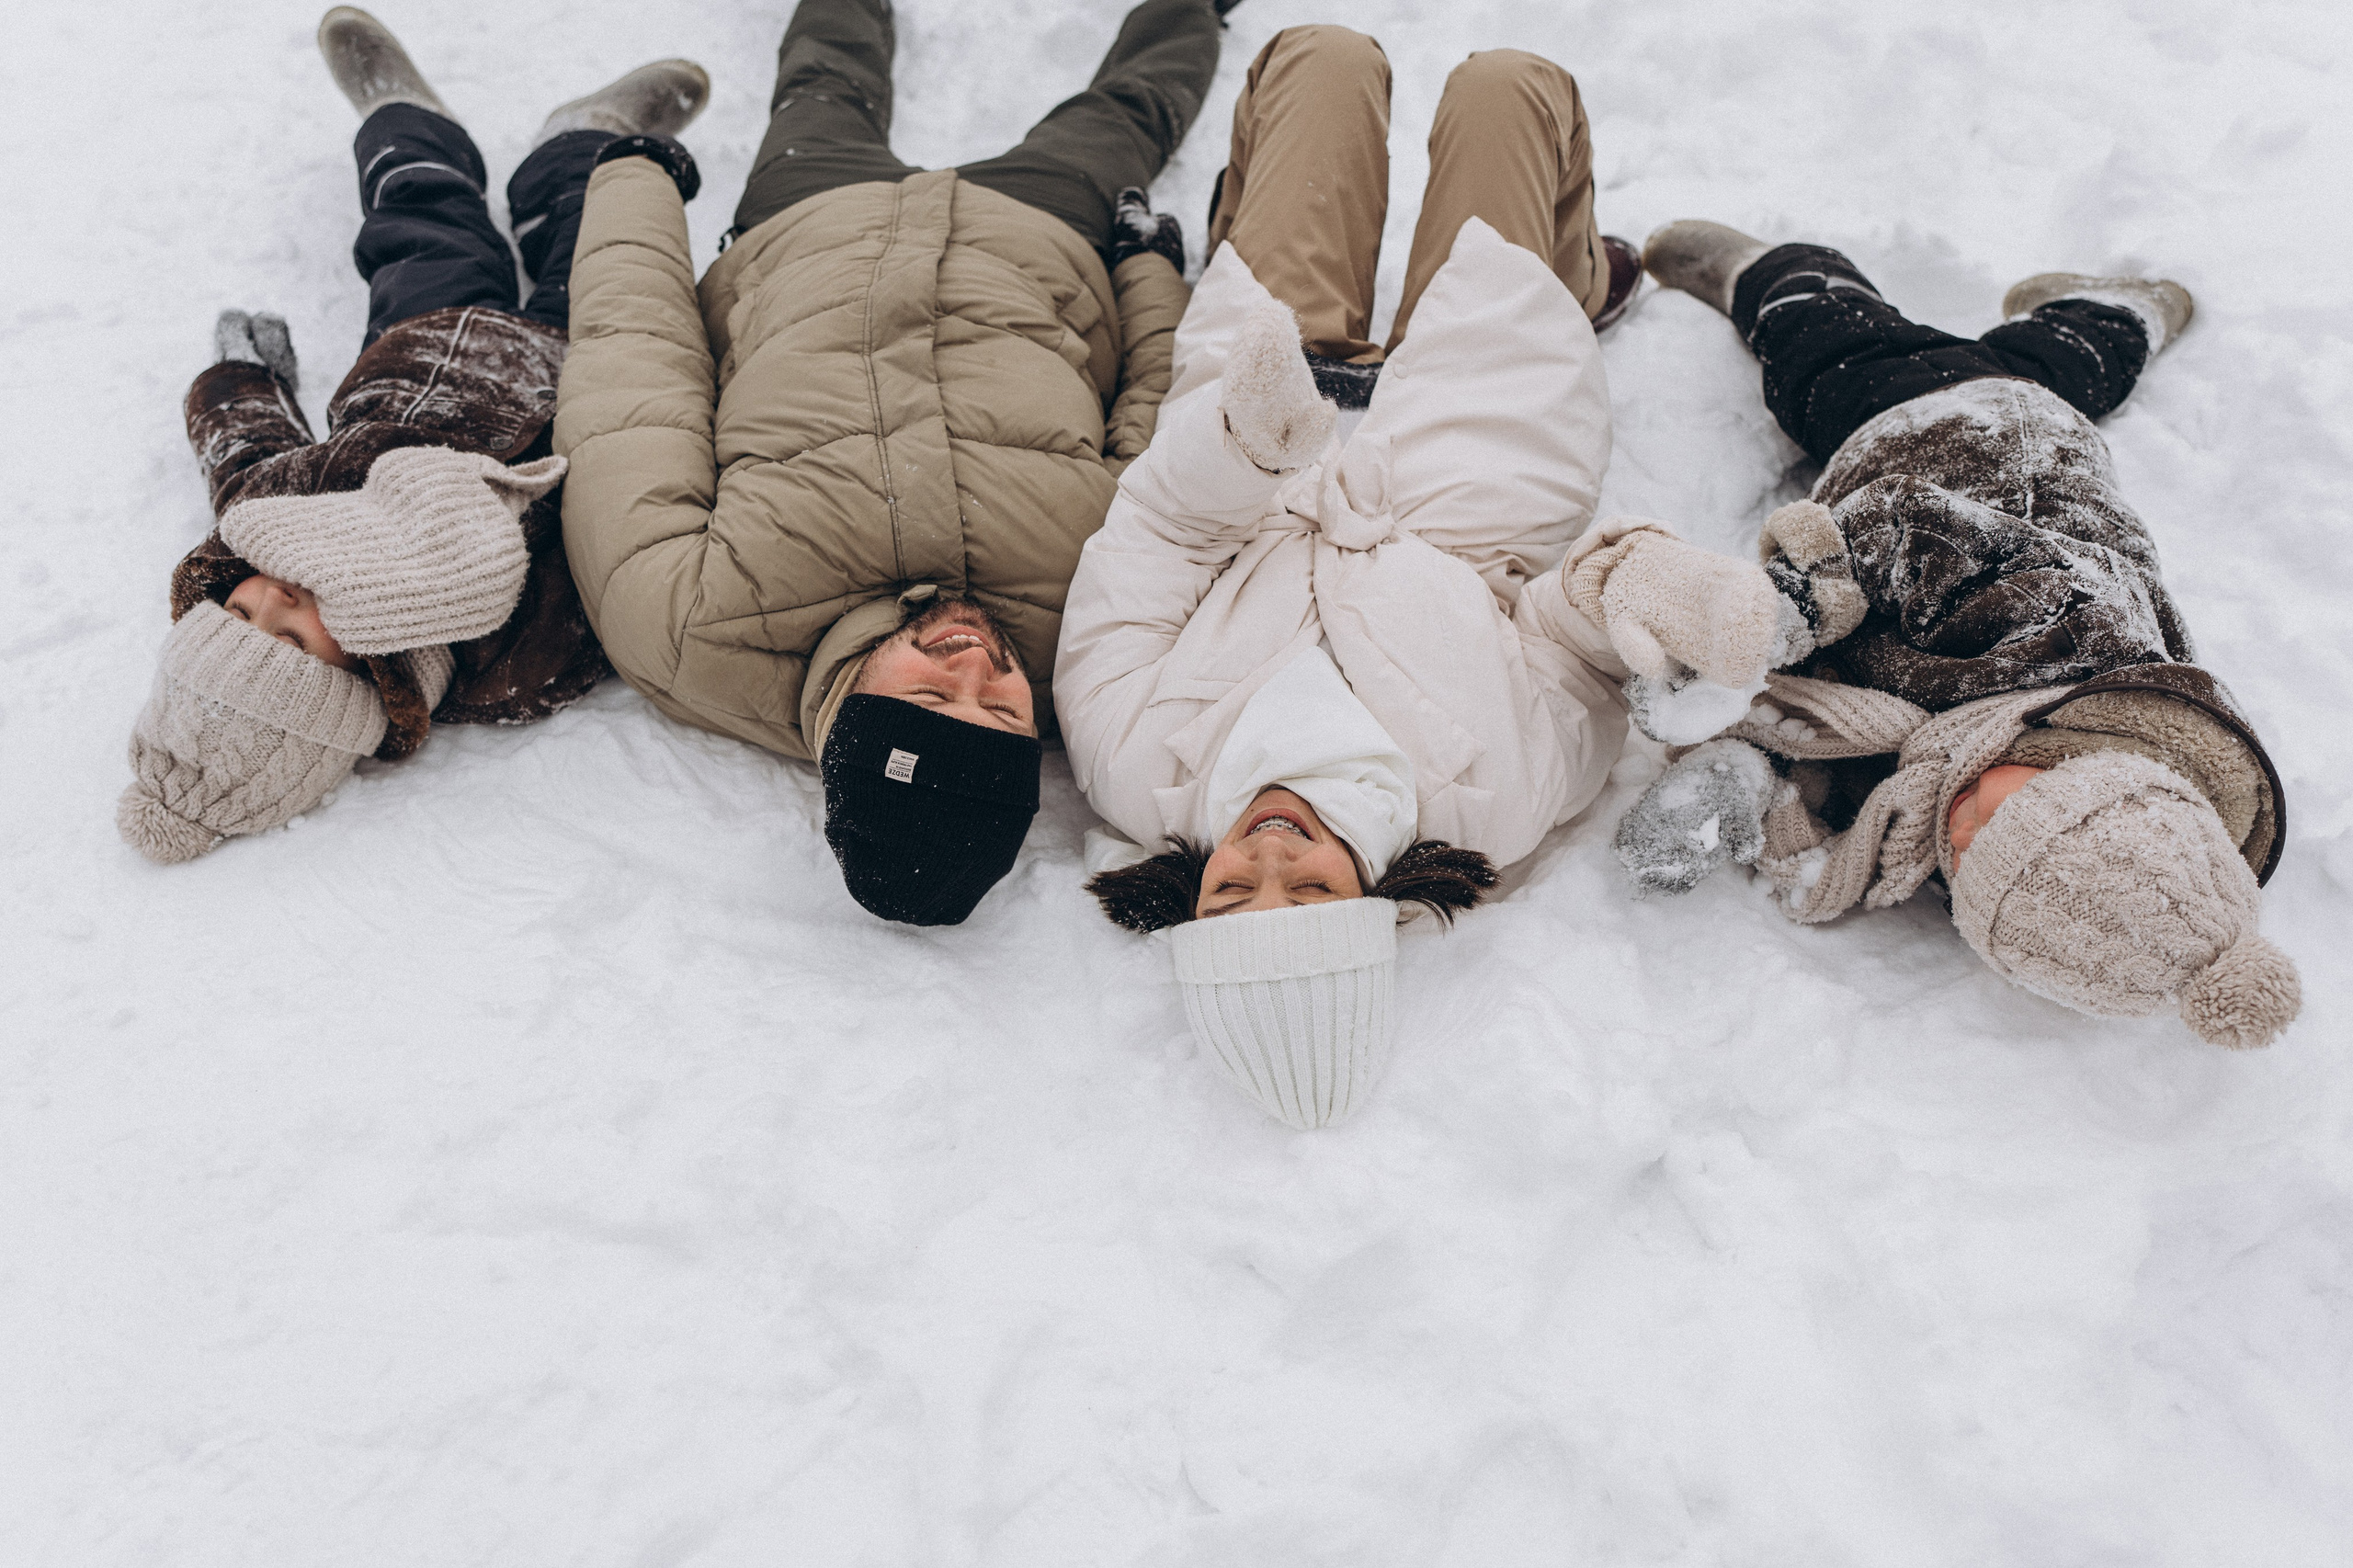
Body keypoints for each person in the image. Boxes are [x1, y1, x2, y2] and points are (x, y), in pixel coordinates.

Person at [1054, 28, 1783, 1129]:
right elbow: (1566, 633)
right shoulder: (1493, 801)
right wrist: (1638, 590)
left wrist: (1244, 444)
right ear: (1374, 899)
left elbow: (1152, 540)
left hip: (1262, 432)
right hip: (1472, 471)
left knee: (1322, 61)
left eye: (1233, 893)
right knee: (1510, 90)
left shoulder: (1132, 764)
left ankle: (1279, 260)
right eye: (1310, 892)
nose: (1269, 858)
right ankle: (1571, 274)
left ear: (1191, 901)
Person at [558, 0, 1228, 926]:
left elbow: (633, 368)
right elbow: (1162, 430)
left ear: (846, 722)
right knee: (1128, 112)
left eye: (925, 694)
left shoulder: (684, 624)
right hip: (1041, 245)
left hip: (805, 229)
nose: (971, 664)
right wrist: (1150, 277)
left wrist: (633, 184)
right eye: (998, 710)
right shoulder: (1091, 631)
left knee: (825, 75)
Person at [1613, 221, 2302, 1049]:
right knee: (1822, 358)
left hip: (2035, 418)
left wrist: (1766, 781)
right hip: (1955, 435)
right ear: (2079, 775)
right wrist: (1802, 604)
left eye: (1975, 869)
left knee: (2062, 360)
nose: (1961, 837)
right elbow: (1905, 526)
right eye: (1996, 822)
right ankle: (1773, 271)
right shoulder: (2057, 627)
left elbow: (1902, 791)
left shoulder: (2033, 846)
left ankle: (2116, 312)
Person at [119, 8, 709, 864]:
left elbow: (240, 446)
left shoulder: (275, 515)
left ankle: (401, 119)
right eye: (289, 638)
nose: (276, 595)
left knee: (420, 219)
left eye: (240, 608)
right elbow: (635, 571)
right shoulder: (513, 657)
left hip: (423, 340)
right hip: (592, 363)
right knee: (600, 229)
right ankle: (586, 139)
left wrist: (237, 380)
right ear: (369, 680)